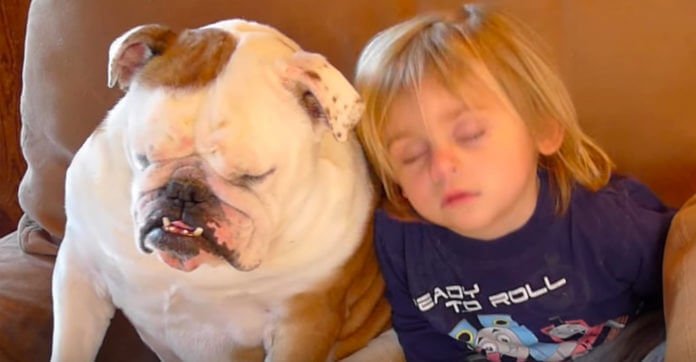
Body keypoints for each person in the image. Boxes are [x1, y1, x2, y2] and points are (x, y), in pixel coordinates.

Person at [354, 4, 675, 361]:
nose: (442, 166)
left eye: (471, 134)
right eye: (412, 155)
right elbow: (419, 330)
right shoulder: (400, 237)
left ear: (543, 129)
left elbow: (680, 276)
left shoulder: (608, 221)